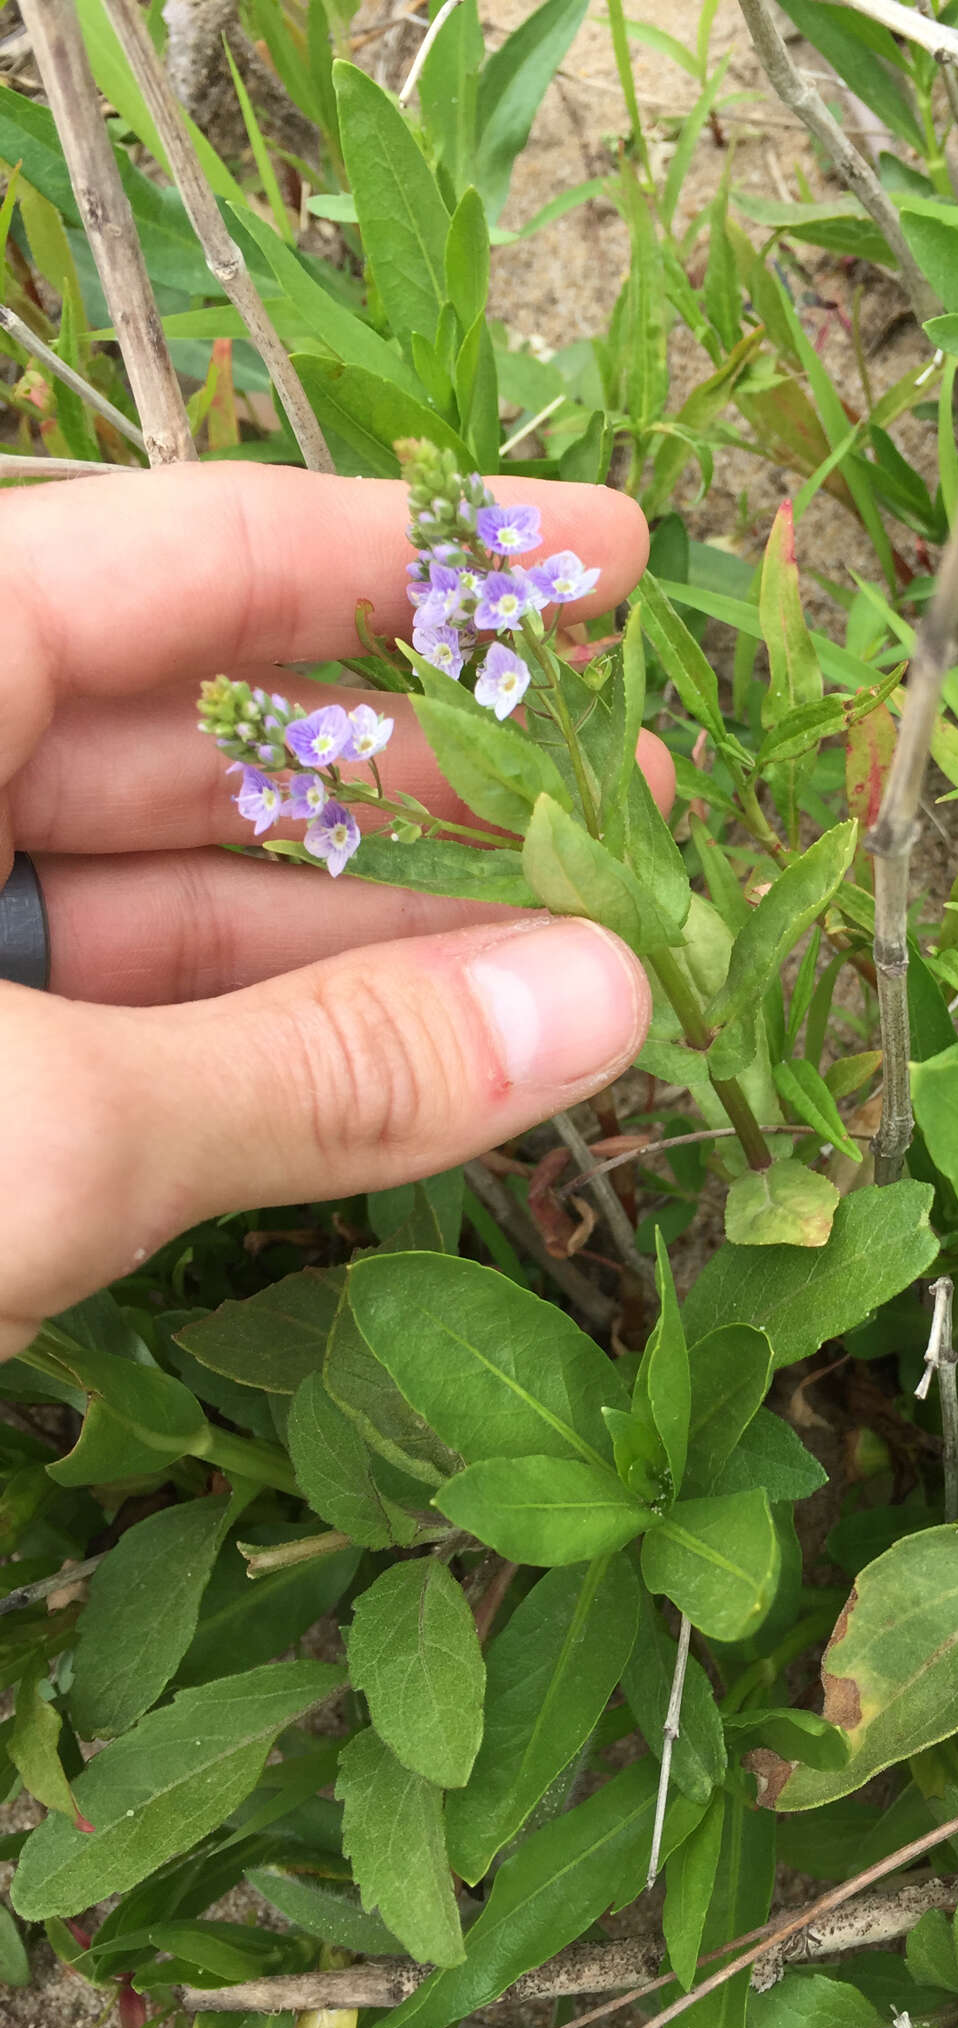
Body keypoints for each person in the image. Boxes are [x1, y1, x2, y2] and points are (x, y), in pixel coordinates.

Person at [0, 462, 673, 1360]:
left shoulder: (516, 635)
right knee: (439, 828)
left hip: (516, 674)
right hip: (410, 760)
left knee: (601, 792)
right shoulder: (326, 780)